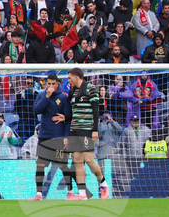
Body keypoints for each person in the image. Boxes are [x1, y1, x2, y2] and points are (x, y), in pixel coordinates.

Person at [29, 73, 75, 200]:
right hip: (44, 135)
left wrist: (66, 136)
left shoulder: (63, 98)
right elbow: (36, 110)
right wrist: (47, 97)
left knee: (63, 165)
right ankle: (39, 194)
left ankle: (70, 192)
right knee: (40, 165)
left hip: (58, 137)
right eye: (48, 83)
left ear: (58, 84)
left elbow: (68, 119)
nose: (50, 86)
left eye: (53, 84)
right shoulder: (41, 95)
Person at [66, 67, 110, 200]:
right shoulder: (72, 92)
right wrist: (66, 118)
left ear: (76, 77)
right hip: (74, 130)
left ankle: (103, 183)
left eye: (69, 77)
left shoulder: (91, 89)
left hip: (86, 129)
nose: (68, 80)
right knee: (77, 161)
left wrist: (95, 129)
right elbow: (74, 111)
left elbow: (96, 111)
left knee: (89, 160)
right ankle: (82, 194)